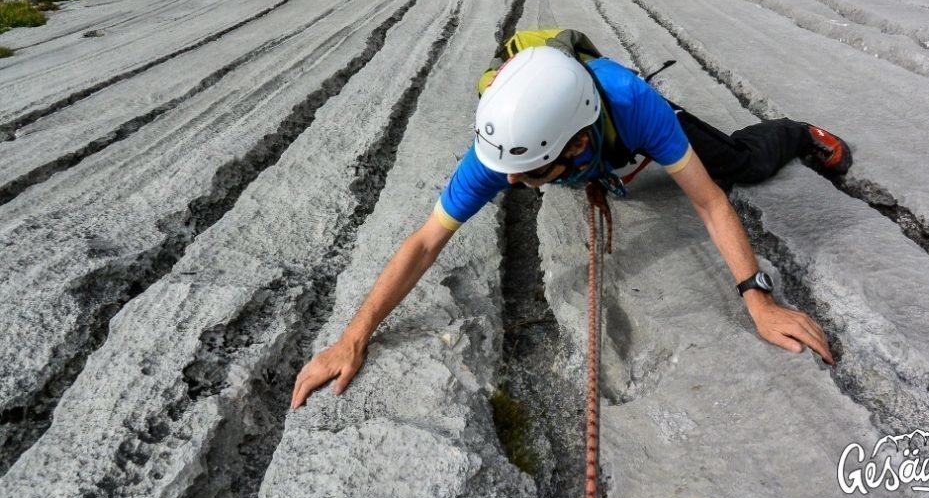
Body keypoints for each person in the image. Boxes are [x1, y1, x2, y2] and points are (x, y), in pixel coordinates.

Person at [290, 29, 847, 409]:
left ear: (579, 143)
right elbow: (426, 241)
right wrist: (353, 337)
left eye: (530, 172)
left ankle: (798, 132)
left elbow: (708, 201)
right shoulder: (501, 154)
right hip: (574, 134)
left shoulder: (636, 103)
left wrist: (759, 299)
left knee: (734, 166)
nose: (509, 184)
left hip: (617, 126)